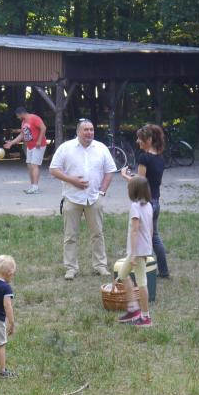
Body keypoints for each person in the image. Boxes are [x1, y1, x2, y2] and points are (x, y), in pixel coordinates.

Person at [49, 118, 118, 280]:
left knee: (97, 234)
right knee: (70, 235)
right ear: (78, 132)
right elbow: (53, 169)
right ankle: (71, 268)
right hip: (72, 198)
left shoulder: (101, 148)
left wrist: (102, 192)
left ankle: (100, 266)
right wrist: (72, 180)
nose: (89, 133)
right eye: (85, 130)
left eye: (91, 129)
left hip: (94, 198)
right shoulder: (66, 148)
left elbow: (110, 171)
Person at [120, 123, 169, 278]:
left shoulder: (144, 158)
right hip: (156, 202)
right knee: (154, 237)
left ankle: (136, 264)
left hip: (144, 203)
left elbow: (140, 184)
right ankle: (163, 270)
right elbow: (147, 180)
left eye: (140, 139)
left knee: (139, 235)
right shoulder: (160, 157)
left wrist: (125, 176)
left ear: (148, 139)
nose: (137, 142)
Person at [114, 176, 155, 327]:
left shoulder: (135, 207)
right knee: (123, 275)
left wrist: (133, 254)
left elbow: (135, 231)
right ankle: (133, 310)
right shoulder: (148, 205)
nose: (127, 189)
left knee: (142, 282)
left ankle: (145, 317)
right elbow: (150, 229)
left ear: (134, 191)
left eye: (129, 187)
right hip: (143, 250)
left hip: (137, 252)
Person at [3, 107, 47, 194]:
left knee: (34, 165)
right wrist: (11, 143)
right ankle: (32, 186)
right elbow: (22, 135)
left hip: (38, 146)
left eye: (17, 116)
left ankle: (35, 187)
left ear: (21, 113)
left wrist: (39, 140)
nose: (17, 117)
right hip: (30, 146)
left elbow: (43, 128)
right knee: (29, 166)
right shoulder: (23, 122)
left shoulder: (34, 118)